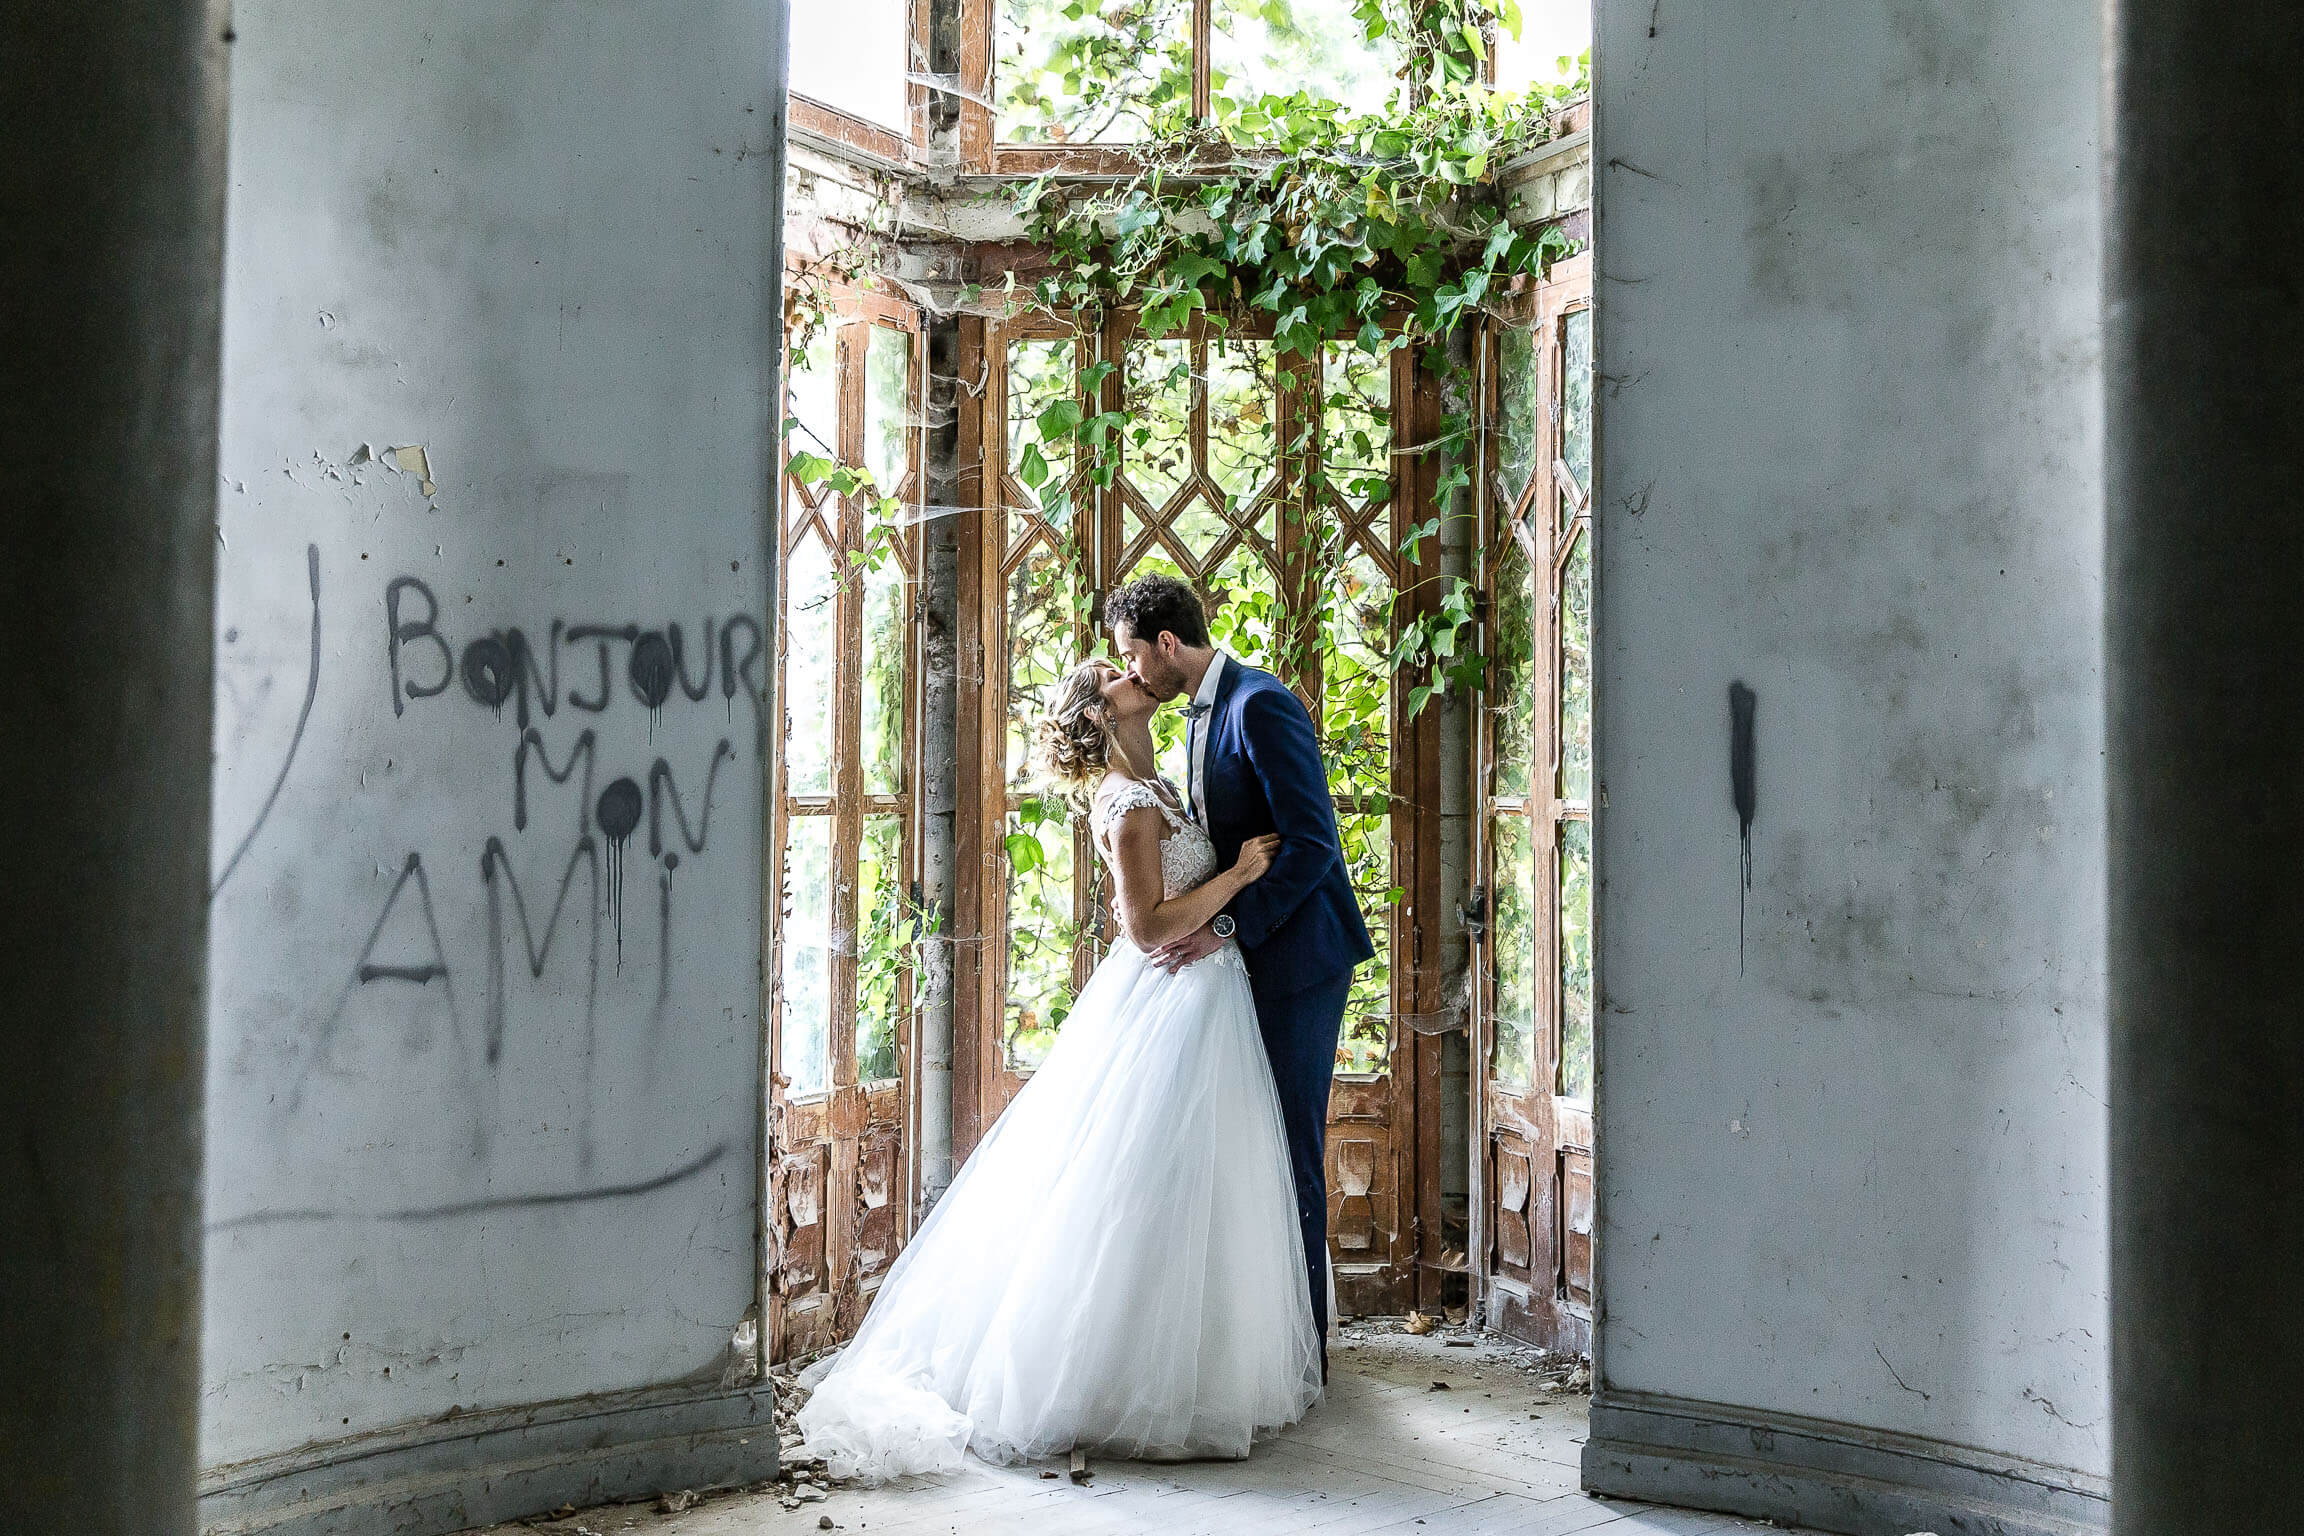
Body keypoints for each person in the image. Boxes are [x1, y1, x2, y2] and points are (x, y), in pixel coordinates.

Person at [794, 657, 1322, 1481]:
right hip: (1172, 1002)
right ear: (1100, 711)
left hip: (1206, 1002)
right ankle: (1115, 1382)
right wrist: (1241, 874)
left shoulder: (1161, 782)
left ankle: (1196, 1367)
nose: (1133, 672)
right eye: (1114, 672)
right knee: (1140, 1188)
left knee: (1196, 1190)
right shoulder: (1128, 803)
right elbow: (1147, 930)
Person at [1105, 573, 1376, 1371]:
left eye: (1130, 655)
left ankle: (1305, 1358)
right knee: (1254, 1146)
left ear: (1166, 644)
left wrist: (1228, 924)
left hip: (1299, 958)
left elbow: (1314, 842)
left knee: (1290, 1143)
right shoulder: (1192, 719)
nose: (1129, 673)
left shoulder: (1258, 703)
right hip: (1243, 959)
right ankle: (1261, 1344)